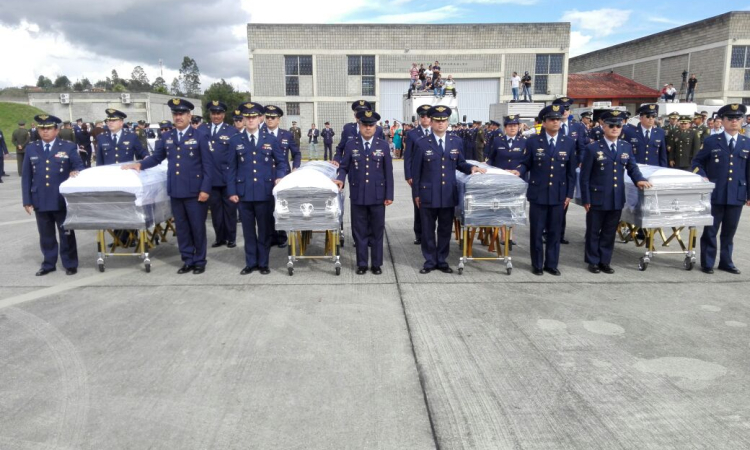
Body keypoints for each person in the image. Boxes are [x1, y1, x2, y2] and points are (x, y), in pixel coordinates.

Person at [122, 98, 215, 275]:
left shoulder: (200, 136)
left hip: (196, 192)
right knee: (181, 228)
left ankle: (199, 260)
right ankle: (187, 259)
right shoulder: (167, 137)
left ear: (190, 116)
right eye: (175, 114)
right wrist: (140, 165)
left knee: (197, 227)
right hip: (176, 190)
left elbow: (208, 166)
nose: (178, 117)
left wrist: (205, 189)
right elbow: (157, 157)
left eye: (182, 114)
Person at [412, 106, 485, 274]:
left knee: (445, 229)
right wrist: (416, 193)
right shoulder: (422, 143)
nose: (440, 124)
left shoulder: (455, 141)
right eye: (437, 121)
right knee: (428, 229)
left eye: (443, 121)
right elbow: (416, 172)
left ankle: (442, 260)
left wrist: (472, 168)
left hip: (447, 193)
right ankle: (430, 261)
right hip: (428, 193)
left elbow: (460, 163)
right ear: (430, 122)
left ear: (447, 122)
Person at [580, 110, 651, 274]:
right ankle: (593, 261)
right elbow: (585, 177)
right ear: (603, 127)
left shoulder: (625, 146)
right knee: (593, 231)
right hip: (597, 196)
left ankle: (605, 261)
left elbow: (632, 167)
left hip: (616, 196)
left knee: (609, 232)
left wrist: (639, 179)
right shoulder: (593, 148)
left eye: (618, 125)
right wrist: (586, 198)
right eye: (611, 125)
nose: (615, 128)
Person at [227, 102, 289, 275]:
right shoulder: (235, 140)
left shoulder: (270, 139)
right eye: (247, 117)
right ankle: (250, 262)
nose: (251, 120)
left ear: (260, 118)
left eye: (254, 116)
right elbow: (231, 168)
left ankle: (263, 263)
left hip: (264, 191)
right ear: (244, 119)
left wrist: (280, 175)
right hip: (243, 193)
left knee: (264, 230)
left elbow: (281, 162)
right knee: (248, 231)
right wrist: (231, 191)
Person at [21, 114, 85, 276]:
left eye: (49, 129)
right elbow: (27, 176)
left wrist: (75, 171)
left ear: (56, 130)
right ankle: (48, 263)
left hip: (61, 199)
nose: (45, 132)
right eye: (42, 129)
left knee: (66, 233)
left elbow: (79, 166)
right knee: (46, 235)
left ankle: (70, 263)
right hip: (40, 199)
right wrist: (27, 200)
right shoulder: (31, 148)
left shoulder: (68, 147)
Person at [517, 104, 576, 276]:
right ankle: (537, 264)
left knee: (554, 231)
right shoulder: (533, 141)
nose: (555, 122)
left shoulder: (569, 142)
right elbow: (526, 163)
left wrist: (569, 194)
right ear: (544, 122)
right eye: (551, 119)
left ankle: (551, 263)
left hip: (559, 194)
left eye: (558, 119)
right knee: (536, 231)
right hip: (538, 193)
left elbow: (571, 172)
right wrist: (517, 171)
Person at [691, 103, 750, 275]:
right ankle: (708, 262)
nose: (734, 122)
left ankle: (726, 261)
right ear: (722, 121)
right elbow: (697, 163)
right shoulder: (711, 141)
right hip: (715, 193)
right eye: (730, 119)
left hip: (737, 193)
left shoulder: (747, 142)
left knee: (729, 232)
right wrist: (702, 176)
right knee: (711, 230)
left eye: (738, 119)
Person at [335, 110, 394, 274]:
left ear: (376, 127)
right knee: (359, 231)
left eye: (371, 125)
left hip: (377, 196)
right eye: (365, 125)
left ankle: (376, 264)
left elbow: (388, 172)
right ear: (359, 125)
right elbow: (344, 166)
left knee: (377, 231)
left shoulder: (382, 145)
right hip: (358, 194)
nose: (368, 128)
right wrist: (340, 178)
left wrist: (389, 195)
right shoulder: (351, 144)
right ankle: (361, 263)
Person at [263, 104, 300, 248]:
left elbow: (296, 153)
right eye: (268, 117)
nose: (270, 120)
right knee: (266, 206)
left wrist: (295, 167)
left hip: (282, 175)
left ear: (278, 119)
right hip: (265, 175)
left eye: (273, 117)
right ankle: (269, 236)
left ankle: (281, 235)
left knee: (281, 206)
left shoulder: (286, 135)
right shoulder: (261, 134)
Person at [204, 100, 239, 249]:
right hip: (210, 179)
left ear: (223, 115)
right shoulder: (202, 130)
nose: (216, 116)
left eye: (219, 113)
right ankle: (220, 237)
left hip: (227, 179)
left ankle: (231, 238)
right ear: (210, 114)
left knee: (230, 211)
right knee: (216, 212)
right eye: (213, 113)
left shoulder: (232, 131)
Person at [553, 97, 588, 245]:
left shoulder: (577, 126)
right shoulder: (553, 124)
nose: (565, 111)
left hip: (571, 167)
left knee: (566, 200)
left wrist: (581, 161)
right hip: (556, 167)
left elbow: (582, 146)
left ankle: (560, 233)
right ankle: (550, 231)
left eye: (567, 109)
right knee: (554, 199)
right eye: (562, 109)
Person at [404, 104, 432, 246]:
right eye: (422, 116)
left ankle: (430, 233)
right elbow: (408, 155)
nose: (425, 118)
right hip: (417, 175)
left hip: (432, 175)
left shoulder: (437, 131)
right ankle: (419, 233)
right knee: (418, 204)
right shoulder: (412, 134)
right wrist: (408, 175)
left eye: (427, 116)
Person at [333, 100, 386, 165]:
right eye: (358, 114)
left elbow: (383, 149)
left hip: (372, 167)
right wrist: (336, 159)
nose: (360, 117)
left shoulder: (377, 129)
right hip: (352, 167)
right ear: (355, 115)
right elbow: (340, 148)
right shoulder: (348, 128)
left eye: (362, 114)